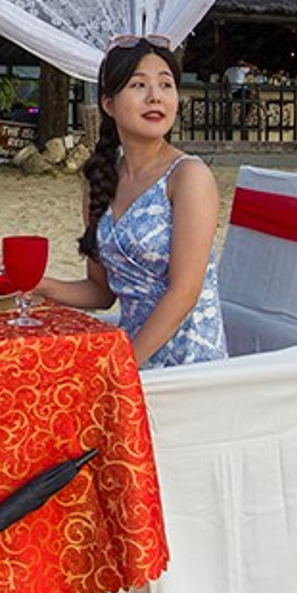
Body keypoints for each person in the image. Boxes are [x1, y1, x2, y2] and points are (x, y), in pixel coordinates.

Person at [37, 36, 226, 369]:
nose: (156, 97)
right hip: (130, 354)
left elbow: (185, 292)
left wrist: (123, 367)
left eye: (166, 85)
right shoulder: (99, 181)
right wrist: (37, 284)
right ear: (108, 104)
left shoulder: (188, 177)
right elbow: (101, 292)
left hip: (187, 362)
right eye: (139, 85)